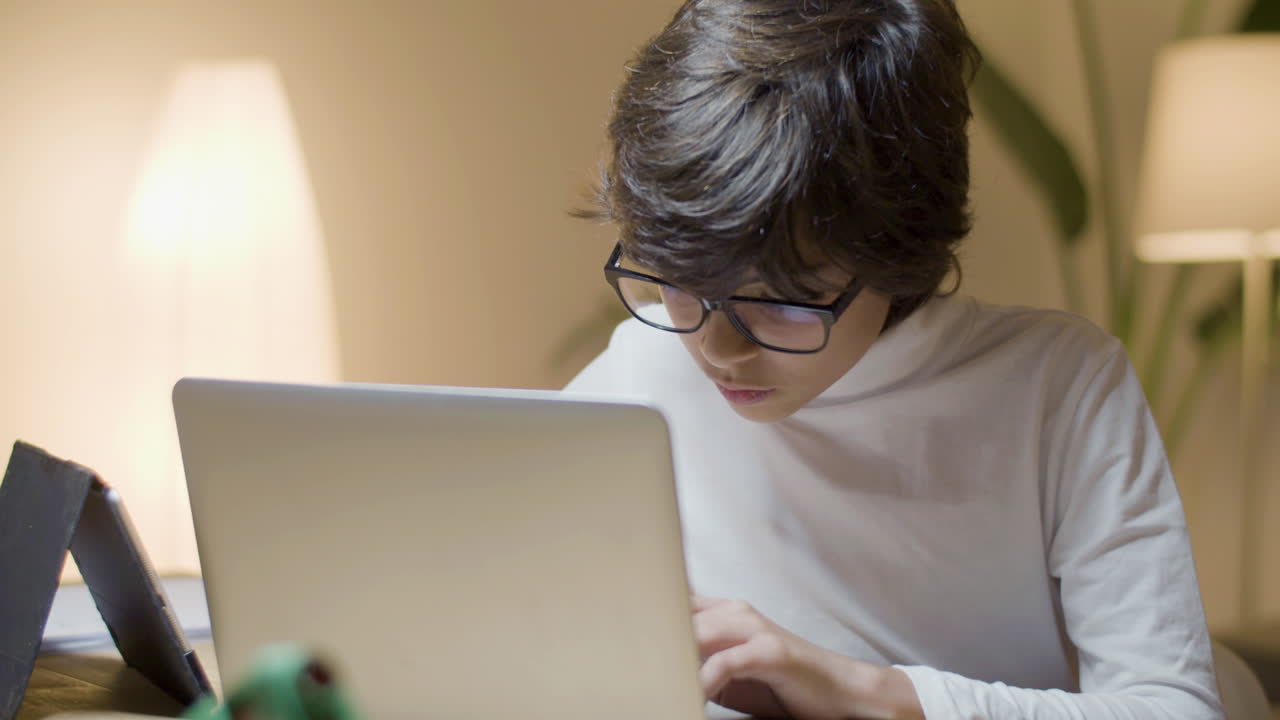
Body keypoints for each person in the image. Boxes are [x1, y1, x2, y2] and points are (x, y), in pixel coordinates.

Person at [564, 0, 1224, 719]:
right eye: (681, 284)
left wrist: (857, 690)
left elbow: (1175, 708)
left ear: (901, 251)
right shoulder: (638, 374)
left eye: (782, 300)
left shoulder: (1057, 387)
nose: (718, 351)